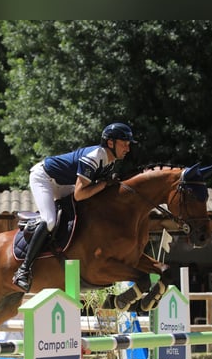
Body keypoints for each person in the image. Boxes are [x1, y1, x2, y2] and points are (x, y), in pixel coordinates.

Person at [12, 122, 137, 292]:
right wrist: (103, 185)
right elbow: (79, 194)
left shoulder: (109, 161)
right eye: (125, 143)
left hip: (63, 183)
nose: (128, 148)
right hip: (44, 178)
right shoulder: (95, 156)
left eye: (129, 144)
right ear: (110, 143)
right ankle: (23, 270)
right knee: (49, 220)